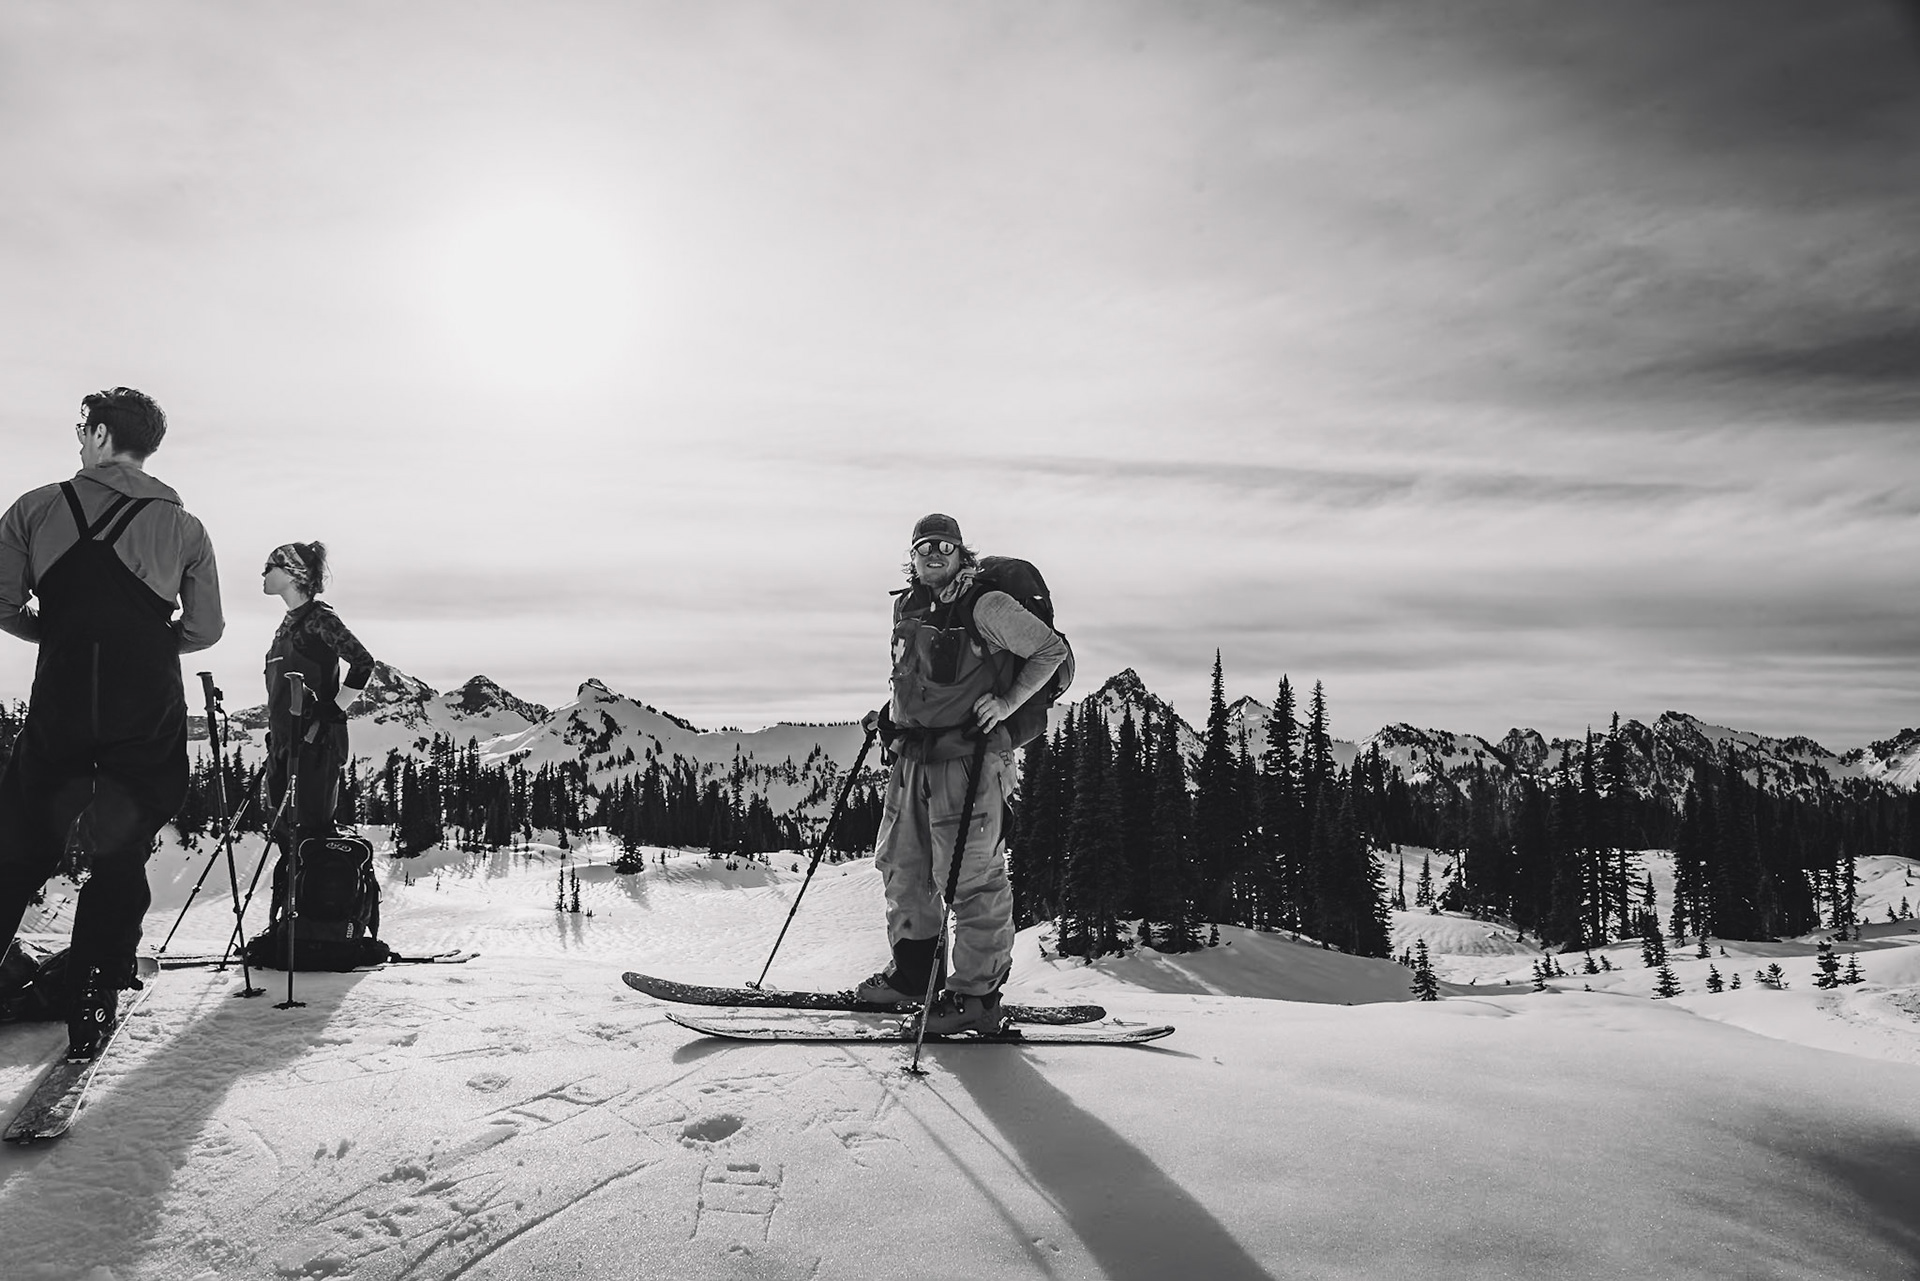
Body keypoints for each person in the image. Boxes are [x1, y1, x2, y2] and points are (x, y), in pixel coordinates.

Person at [0, 388, 223, 1056]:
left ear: (99, 434)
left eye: (82, 429)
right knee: (121, 848)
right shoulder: (184, 528)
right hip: (145, 700)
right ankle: (93, 999)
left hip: (63, 693)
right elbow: (205, 628)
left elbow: (2, 602)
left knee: (19, 843)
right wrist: (148, 642)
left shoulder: (36, 508)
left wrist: (56, 631)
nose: (79, 439)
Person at [856, 513, 1069, 1035]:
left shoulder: (986, 604)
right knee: (903, 868)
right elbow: (915, 676)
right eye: (924, 546)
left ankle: (976, 997)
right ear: (912, 556)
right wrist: (890, 716)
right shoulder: (909, 606)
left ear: (961, 553)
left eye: (945, 546)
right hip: (911, 758)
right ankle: (915, 978)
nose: (934, 554)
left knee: (971, 879)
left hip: (969, 760)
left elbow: (1050, 652)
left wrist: (1007, 703)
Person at [259, 541, 375, 901]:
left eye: (270, 567)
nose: (263, 574)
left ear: (292, 574)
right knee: (286, 836)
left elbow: (363, 662)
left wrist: (333, 709)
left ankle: (318, 921)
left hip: (315, 744)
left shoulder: (319, 618)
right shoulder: (288, 625)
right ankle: (292, 921)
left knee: (310, 836)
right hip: (285, 744)